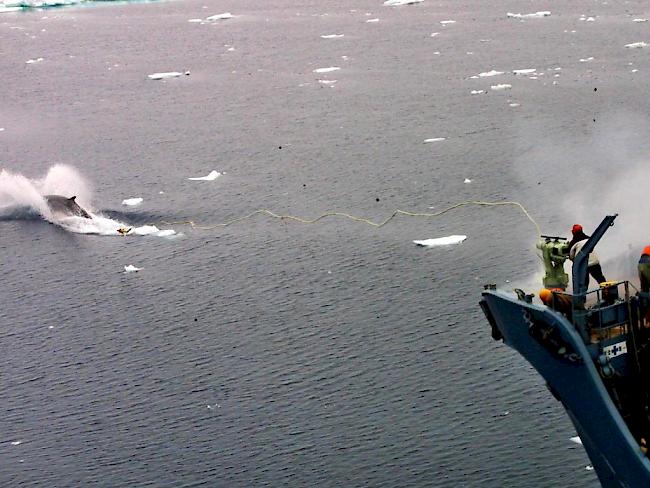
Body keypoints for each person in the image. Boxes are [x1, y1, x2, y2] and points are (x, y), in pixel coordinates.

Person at [568, 223, 607, 288]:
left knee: (584, 283)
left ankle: (582, 297)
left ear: (573, 232)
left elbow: (571, 256)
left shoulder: (573, 243)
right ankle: (607, 292)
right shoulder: (590, 239)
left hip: (583, 265)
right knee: (600, 279)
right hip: (594, 262)